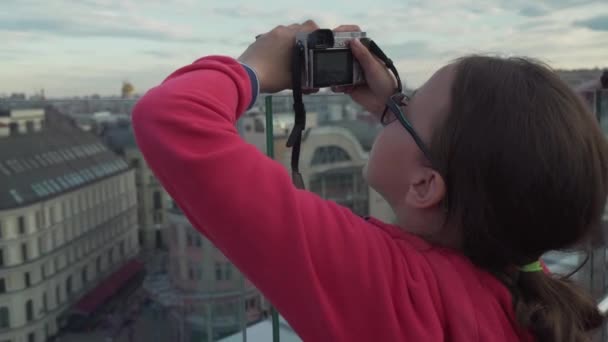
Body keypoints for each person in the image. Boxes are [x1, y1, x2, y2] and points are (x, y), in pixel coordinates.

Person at [132, 20, 608, 341]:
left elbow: (170, 117)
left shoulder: (390, 285)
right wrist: (394, 107)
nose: (396, 109)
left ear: (426, 187)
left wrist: (255, 66)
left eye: (410, 109)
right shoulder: (519, 275)